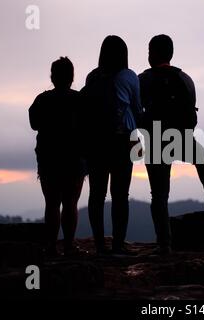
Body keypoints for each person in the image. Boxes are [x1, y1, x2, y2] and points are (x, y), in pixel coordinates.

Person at [138, 34, 204, 254]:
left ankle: (164, 244)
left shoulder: (142, 80)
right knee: (201, 159)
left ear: (152, 54)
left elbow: (135, 111)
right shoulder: (185, 78)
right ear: (171, 54)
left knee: (159, 195)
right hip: (180, 137)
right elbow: (191, 114)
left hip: (154, 141)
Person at [81, 35, 142, 255]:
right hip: (123, 140)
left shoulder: (92, 77)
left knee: (96, 195)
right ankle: (118, 244)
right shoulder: (129, 76)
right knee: (120, 195)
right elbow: (137, 108)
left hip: (96, 142)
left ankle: (99, 245)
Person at [29, 57, 86, 257]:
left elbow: (34, 123)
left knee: (52, 203)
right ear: (72, 77)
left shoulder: (42, 100)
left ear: (52, 77)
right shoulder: (80, 100)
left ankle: (51, 246)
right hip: (75, 159)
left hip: (49, 159)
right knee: (71, 203)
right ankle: (69, 246)